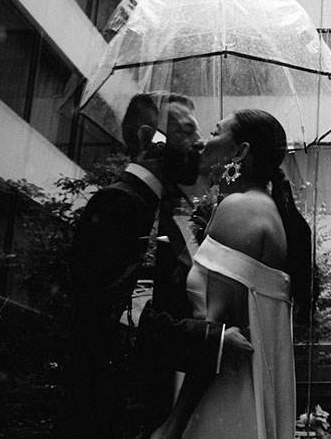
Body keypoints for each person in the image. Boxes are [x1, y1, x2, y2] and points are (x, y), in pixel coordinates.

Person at [71, 92, 252, 437]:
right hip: (117, 411)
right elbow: (119, 315)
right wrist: (212, 339)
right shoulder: (118, 204)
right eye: (186, 131)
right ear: (147, 139)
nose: (199, 143)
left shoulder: (163, 207)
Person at [149, 108, 313, 438]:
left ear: (240, 152)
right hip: (237, 389)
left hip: (223, 398)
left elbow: (217, 332)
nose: (202, 143)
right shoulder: (252, 204)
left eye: (214, 133)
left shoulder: (240, 208)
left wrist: (173, 424)